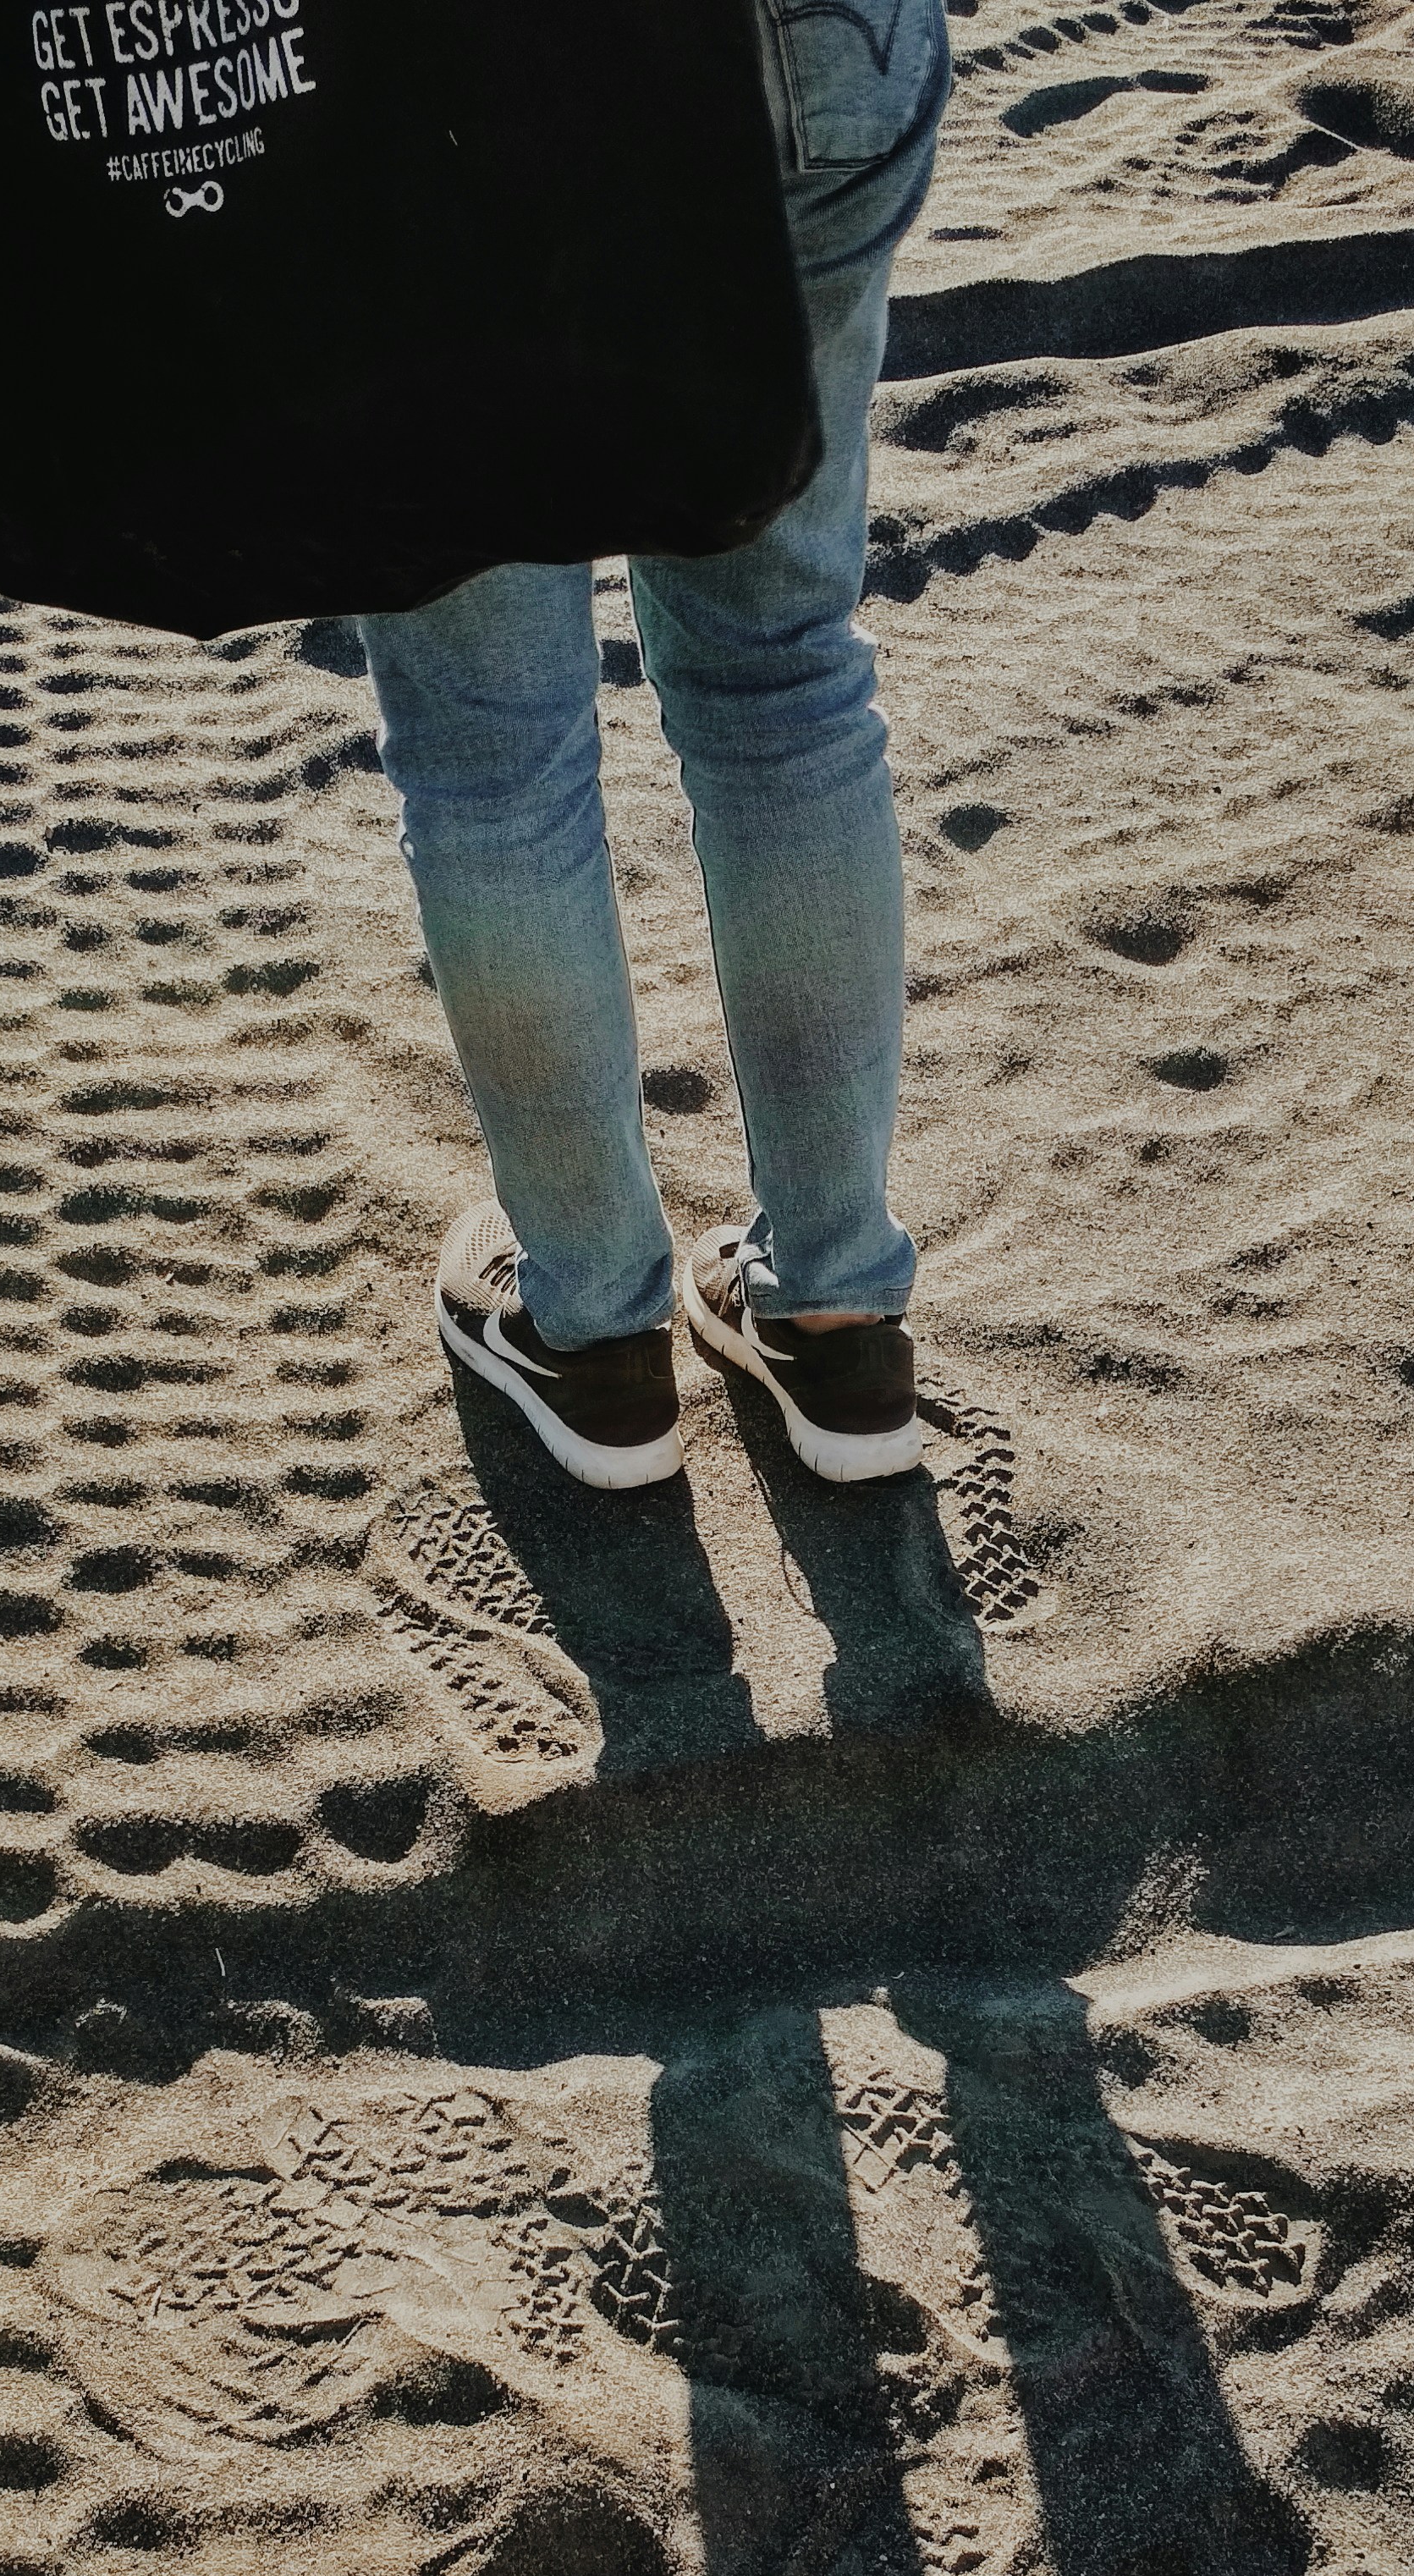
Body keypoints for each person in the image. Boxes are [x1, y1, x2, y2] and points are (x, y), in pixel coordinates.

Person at [357, 0, 951, 1494]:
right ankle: (836, 1307)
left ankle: (595, 1332)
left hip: (443, 91)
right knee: (786, 672)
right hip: (816, 50)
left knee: (493, 748)